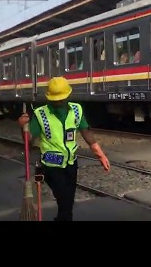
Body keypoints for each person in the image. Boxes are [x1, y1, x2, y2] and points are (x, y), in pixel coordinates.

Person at [17, 76, 110, 221]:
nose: (58, 101)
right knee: (65, 200)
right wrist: (23, 127)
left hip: (71, 163)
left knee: (67, 204)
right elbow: (28, 141)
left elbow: (87, 133)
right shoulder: (41, 114)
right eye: (55, 99)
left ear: (68, 95)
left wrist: (101, 155)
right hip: (51, 166)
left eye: (60, 98)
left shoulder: (76, 110)